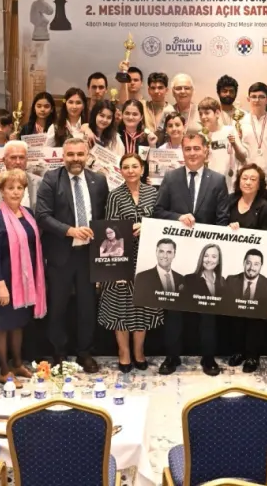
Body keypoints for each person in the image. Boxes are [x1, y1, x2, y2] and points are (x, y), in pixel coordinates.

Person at [153, 131, 231, 375]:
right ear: (182, 151)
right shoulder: (171, 177)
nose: (192, 153)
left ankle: (208, 358)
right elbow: (157, 211)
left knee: (207, 311)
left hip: (206, 260)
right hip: (177, 258)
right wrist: (177, 217)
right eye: (188, 149)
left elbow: (222, 219)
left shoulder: (217, 180)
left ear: (206, 151)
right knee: (174, 311)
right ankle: (171, 357)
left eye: (197, 148)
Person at [37, 137, 110, 372]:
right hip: (61, 255)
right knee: (58, 307)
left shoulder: (99, 180)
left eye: (80, 154)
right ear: (63, 156)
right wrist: (70, 231)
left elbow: (105, 215)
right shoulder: (51, 179)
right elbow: (43, 216)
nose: (76, 159)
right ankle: (59, 353)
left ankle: (85, 353)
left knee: (87, 307)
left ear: (87, 155)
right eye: (71, 154)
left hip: (89, 256)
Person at [0, 169, 48, 383]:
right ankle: (4, 370)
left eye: (19, 188)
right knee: (3, 327)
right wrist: (0, 285)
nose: (15, 192)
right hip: (6, 281)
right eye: (10, 188)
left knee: (18, 324)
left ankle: (18, 364)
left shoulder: (27, 213)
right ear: (1, 191)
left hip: (24, 281)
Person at [101, 153, 163, 371]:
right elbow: (109, 229)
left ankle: (139, 351)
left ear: (142, 168)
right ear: (120, 171)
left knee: (142, 307)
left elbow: (161, 223)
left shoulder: (153, 193)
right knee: (121, 307)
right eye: (126, 167)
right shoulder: (114, 195)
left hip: (147, 259)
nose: (130, 170)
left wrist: (147, 226)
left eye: (134, 166)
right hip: (122, 257)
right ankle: (124, 352)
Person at [226, 164, 267, 372]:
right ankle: (237, 350)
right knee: (235, 312)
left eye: (253, 179)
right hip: (234, 267)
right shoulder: (230, 202)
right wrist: (228, 229)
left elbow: (265, 239)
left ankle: (252, 355)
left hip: (255, 269)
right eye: (244, 178)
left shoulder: (265, 207)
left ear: (260, 184)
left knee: (254, 314)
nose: (248, 182)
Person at [200, 96, 247, 189]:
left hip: (230, 184)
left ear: (217, 113)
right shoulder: (200, 135)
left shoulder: (230, 131)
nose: (203, 117)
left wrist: (234, 144)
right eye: (200, 114)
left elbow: (243, 158)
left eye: (207, 113)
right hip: (209, 185)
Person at [182, 243, 225, 310]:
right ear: (202, 258)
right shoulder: (188, 280)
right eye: (206, 256)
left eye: (214, 257)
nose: (209, 260)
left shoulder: (223, 282)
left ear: (218, 261)